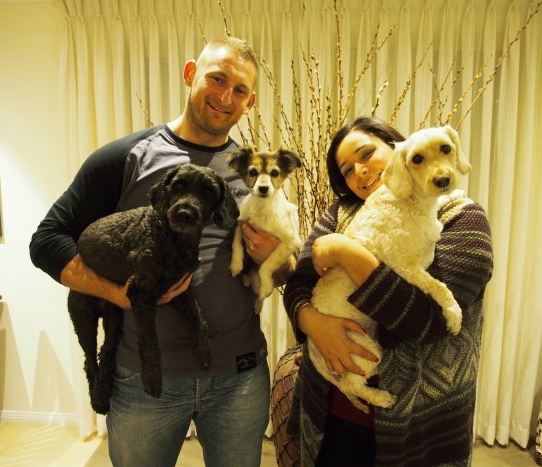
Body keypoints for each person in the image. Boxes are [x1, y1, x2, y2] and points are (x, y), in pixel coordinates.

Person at [30, 37, 293, 467]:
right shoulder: (124, 157)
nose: (226, 96)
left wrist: (273, 259)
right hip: (142, 379)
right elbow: (47, 241)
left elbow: (284, 270)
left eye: (240, 90)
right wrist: (116, 293)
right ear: (191, 74)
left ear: (251, 101)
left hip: (239, 376)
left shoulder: (254, 172)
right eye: (217, 79)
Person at [282, 116, 494, 466]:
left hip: (420, 426)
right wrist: (313, 323)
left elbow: (428, 323)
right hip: (331, 413)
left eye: (367, 155)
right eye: (348, 170)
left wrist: (346, 253)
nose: (360, 172)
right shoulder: (340, 213)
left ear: (395, 148)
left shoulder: (462, 217)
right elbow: (298, 286)